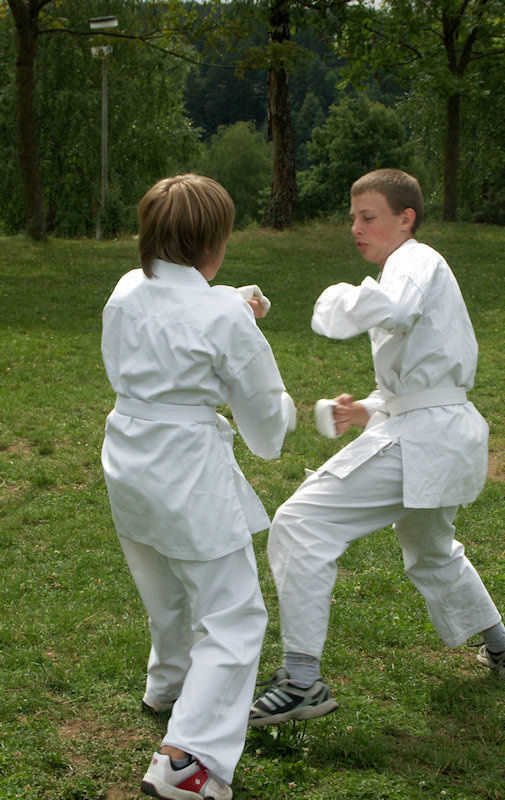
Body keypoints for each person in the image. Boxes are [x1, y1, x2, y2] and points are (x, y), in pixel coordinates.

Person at [249, 168, 505, 729]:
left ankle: (302, 680)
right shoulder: (409, 268)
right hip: (439, 434)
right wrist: (366, 410)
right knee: (433, 550)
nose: (355, 228)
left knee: (300, 523)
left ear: (406, 219)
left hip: (429, 438)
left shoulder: (414, 260)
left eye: (368, 217)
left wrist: (334, 301)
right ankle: (503, 647)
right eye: (353, 217)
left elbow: (394, 310)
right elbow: (420, 376)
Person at [101, 174, 295, 799]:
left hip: (129, 457)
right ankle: (189, 761)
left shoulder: (127, 290)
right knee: (234, 615)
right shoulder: (219, 315)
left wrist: (232, 303)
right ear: (213, 242)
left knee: (163, 583)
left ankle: (169, 685)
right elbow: (263, 417)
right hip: (186, 468)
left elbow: (175, 314)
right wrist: (285, 414)